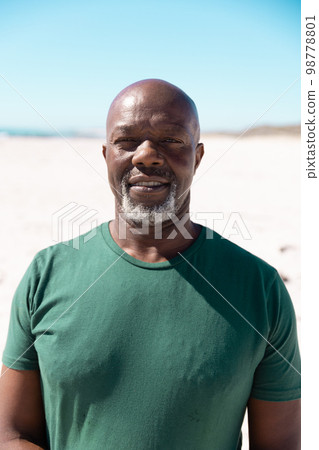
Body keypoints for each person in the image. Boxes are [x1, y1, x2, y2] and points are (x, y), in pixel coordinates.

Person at [0, 79, 301, 449]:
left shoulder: (259, 288)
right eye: (127, 141)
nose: (146, 155)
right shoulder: (45, 275)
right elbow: (11, 433)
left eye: (172, 140)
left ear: (198, 156)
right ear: (106, 155)